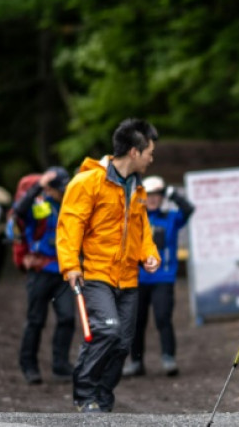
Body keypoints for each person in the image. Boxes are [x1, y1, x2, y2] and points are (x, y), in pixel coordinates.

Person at [56, 118, 162, 413]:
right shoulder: (87, 182)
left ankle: (102, 398)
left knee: (122, 344)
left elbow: (143, 232)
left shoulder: (137, 189)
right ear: (133, 152)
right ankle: (84, 394)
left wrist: (149, 254)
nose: (151, 158)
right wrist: (70, 266)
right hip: (95, 273)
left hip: (128, 278)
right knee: (108, 331)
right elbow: (69, 226)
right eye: (149, 152)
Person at [123, 175, 194, 378]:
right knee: (137, 322)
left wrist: (173, 194)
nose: (153, 199)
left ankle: (168, 358)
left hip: (163, 279)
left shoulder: (171, 217)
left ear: (163, 197)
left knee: (163, 318)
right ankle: (136, 362)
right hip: (137, 278)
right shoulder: (136, 216)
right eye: (150, 195)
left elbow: (188, 210)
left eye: (157, 195)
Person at [13, 166, 75, 385]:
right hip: (40, 271)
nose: (64, 191)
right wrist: (38, 186)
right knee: (36, 321)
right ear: (49, 188)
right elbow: (19, 212)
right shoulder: (37, 203)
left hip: (63, 271)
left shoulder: (69, 205)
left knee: (67, 318)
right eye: (59, 188)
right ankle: (29, 366)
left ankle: (61, 365)